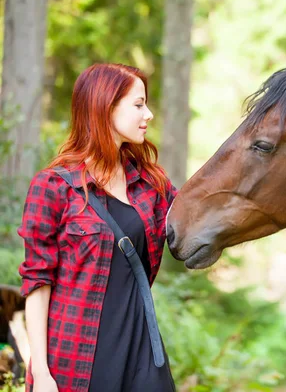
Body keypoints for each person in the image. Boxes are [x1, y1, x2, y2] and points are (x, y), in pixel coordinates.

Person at [18, 63, 178, 392]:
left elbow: (195, 218)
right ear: (105, 106)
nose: (148, 114)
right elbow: (38, 284)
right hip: (77, 358)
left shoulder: (150, 183)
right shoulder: (53, 187)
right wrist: (42, 372)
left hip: (143, 355)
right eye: (138, 104)